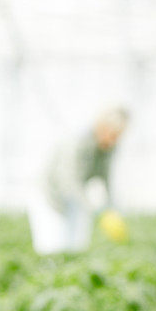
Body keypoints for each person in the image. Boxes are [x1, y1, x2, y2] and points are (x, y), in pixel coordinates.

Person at [28, 107, 129, 254]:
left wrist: (111, 209)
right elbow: (69, 182)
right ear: (101, 127)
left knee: (77, 247)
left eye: (118, 136)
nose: (114, 140)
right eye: (112, 134)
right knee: (52, 246)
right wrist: (96, 211)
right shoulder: (78, 142)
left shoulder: (109, 148)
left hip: (75, 197)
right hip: (50, 195)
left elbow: (106, 179)